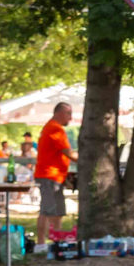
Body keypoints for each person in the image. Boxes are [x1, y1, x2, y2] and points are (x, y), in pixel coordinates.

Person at [33, 102, 78, 247]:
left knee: (58, 211)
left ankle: (56, 243)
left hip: (56, 176)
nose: (70, 118)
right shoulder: (55, 129)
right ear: (60, 112)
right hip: (48, 176)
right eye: (69, 113)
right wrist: (87, 161)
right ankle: (40, 244)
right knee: (47, 210)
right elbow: (68, 152)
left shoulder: (53, 127)